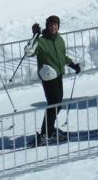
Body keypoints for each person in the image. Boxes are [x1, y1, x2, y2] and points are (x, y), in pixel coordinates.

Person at [27, 15, 80, 145]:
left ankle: (48, 130)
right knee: (54, 105)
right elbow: (28, 52)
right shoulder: (41, 41)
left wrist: (72, 64)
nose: (53, 27)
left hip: (58, 75)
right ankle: (46, 134)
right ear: (47, 26)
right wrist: (34, 35)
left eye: (55, 25)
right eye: (51, 25)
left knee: (57, 104)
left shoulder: (59, 40)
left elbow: (62, 56)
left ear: (58, 26)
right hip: (48, 77)